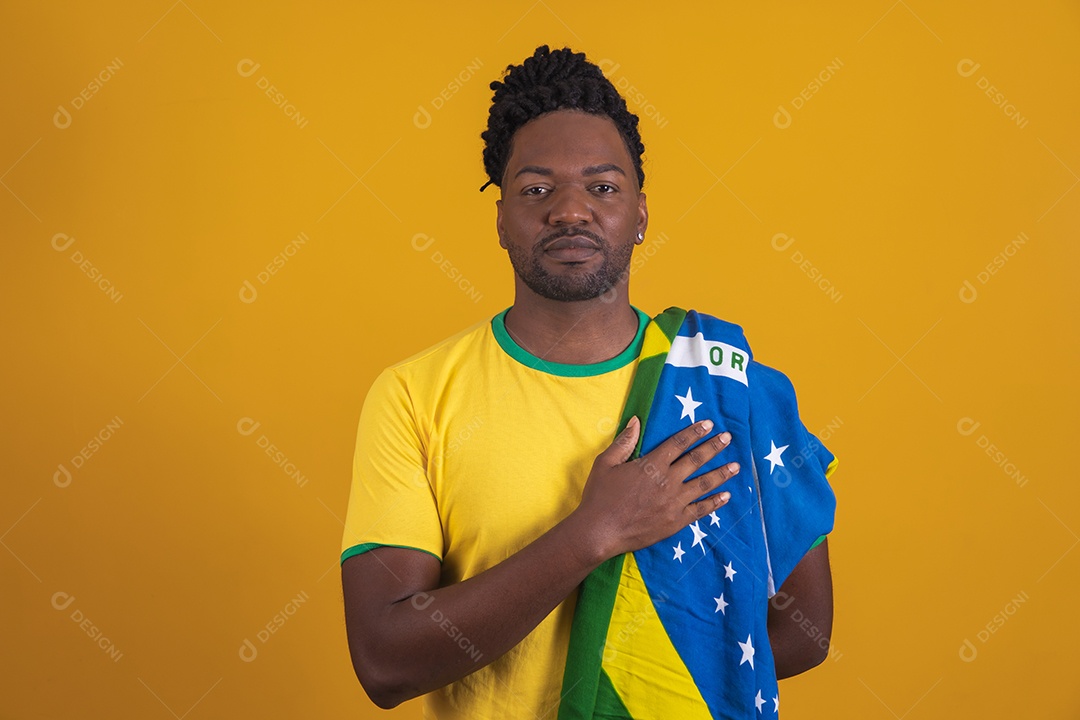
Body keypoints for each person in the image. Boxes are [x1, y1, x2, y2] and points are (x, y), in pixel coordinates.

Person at [340, 45, 836, 719]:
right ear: (501, 220)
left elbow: (807, 629)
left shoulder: (726, 384)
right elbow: (385, 660)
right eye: (537, 189)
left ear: (640, 216)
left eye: (602, 187)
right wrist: (592, 533)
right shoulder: (413, 395)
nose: (570, 211)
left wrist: (653, 681)